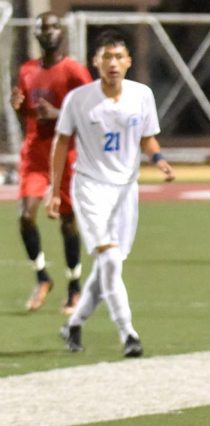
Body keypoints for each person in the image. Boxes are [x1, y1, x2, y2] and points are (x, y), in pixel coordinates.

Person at [49, 29, 175, 358]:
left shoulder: (142, 95)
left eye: (118, 57)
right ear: (95, 62)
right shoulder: (78, 100)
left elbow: (147, 137)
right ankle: (128, 332)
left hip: (126, 191)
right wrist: (54, 190)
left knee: (111, 264)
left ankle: (74, 324)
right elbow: (61, 143)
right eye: (106, 57)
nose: (113, 63)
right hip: (90, 186)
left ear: (129, 61)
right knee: (107, 258)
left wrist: (158, 159)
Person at [11, 11, 92, 313]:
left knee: (67, 220)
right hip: (35, 153)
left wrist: (58, 115)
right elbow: (28, 114)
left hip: (64, 152)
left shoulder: (74, 71)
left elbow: (90, 112)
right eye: (43, 28)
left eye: (54, 27)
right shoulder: (27, 70)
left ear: (62, 33)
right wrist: (20, 109)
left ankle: (74, 286)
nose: (49, 32)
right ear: (36, 34)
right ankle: (42, 276)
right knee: (26, 215)